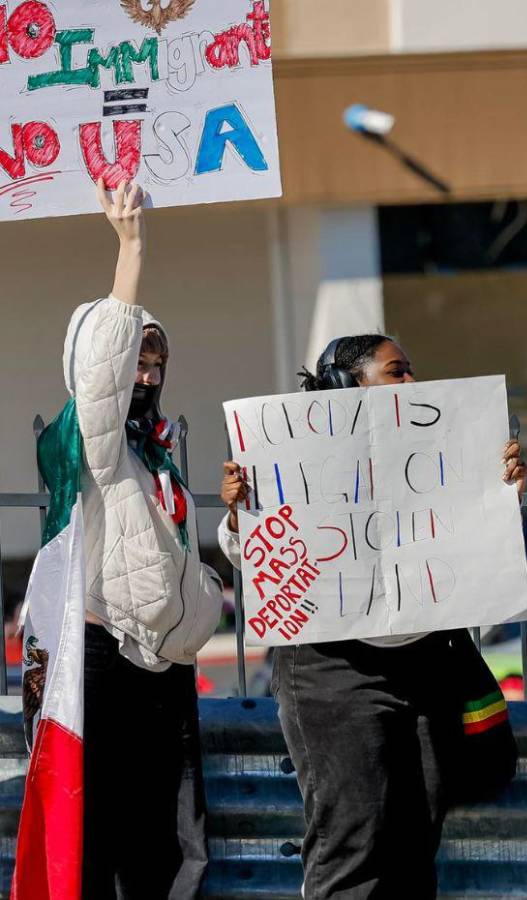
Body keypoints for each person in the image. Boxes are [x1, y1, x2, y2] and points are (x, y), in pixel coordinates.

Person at [217, 335, 527, 899]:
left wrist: (497, 482)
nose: (412, 383)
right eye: (396, 372)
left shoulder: (441, 444)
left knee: (417, 834)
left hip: (426, 662)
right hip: (332, 673)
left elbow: (469, 534)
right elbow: (258, 561)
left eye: (412, 371)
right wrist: (243, 517)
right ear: (346, 386)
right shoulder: (292, 459)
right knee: (353, 840)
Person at [58, 181, 224, 897]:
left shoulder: (153, 452)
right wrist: (131, 249)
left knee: (160, 849)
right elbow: (102, 379)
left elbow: (177, 559)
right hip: (105, 662)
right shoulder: (94, 442)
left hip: (160, 669)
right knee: (102, 845)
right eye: (137, 362)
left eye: (157, 364)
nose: (146, 375)